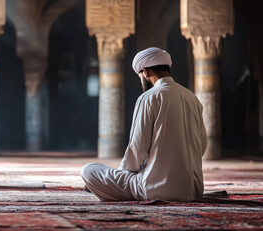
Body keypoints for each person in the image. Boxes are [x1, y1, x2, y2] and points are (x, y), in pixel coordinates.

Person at [81, 47, 207, 201]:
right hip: (193, 191)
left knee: (89, 170)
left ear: (145, 72)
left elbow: (137, 149)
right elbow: (202, 145)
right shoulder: (192, 98)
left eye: (140, 75)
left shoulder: (148, 98)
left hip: (155, 189)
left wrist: (124, 173)